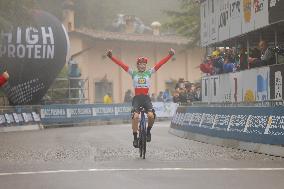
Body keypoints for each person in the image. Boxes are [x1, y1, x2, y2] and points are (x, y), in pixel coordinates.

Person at [106, 48, 175, 148]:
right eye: (141, 64)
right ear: (137, 65)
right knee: (135, 117)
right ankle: (135, 138)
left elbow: (160, 64)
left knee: (151, 116)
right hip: (137, 99)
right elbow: (121, 64)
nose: (143, 66)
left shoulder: (149, 72)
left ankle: (148, 132)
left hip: (146, 99)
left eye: (144, 64)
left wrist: (170, 55)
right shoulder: (133, 73)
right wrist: (111, 57)